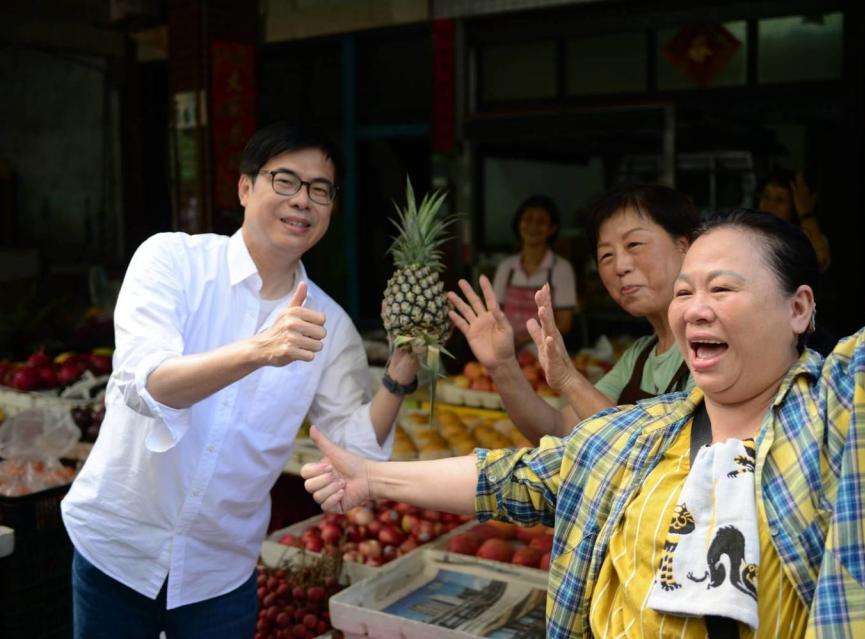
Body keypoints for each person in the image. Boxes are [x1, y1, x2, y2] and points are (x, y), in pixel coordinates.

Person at [302, 3, 865, 626]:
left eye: (722, 289)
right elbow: (519, 474)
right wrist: (370, 476)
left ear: (799, 307)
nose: (694, 307)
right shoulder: (645, 430)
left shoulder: (850, 411)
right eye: (686, 292)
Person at [62, 122, 420, 638]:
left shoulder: (332, 325)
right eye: (285, 181)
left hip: (219, 573)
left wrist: (400, 372)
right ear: (245, 187)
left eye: (320, 190)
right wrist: (258, 350)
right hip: (119, 550)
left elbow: (352, 447)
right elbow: (146, 384)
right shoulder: (172, 260)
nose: (303, 200)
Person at [449, 183, 699, 441]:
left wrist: (569, 379)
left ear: (684, 246)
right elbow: (558, 429)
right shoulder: (639, 357)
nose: (621, 266)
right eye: (606, 256)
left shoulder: (712, 346)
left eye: (634, 244)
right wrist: (502, 366)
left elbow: (653, 451)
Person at [490, 195, 577, 346]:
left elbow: (564, 324)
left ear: (552, 228)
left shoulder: (561, 269)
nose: (533, 226)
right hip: (506, 349)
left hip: (545, 353)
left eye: (541, 221)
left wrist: (524, 341)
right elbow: (494, 315)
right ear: (518, 224)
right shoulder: (506, 268)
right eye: (528, 219)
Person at [757, 167, 831, 272]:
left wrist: (805, 214)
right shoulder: (750, 232)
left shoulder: (801, 237)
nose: (769, 206)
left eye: (780, 200)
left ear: (795, 207)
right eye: (766, 197)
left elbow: (820, 259)